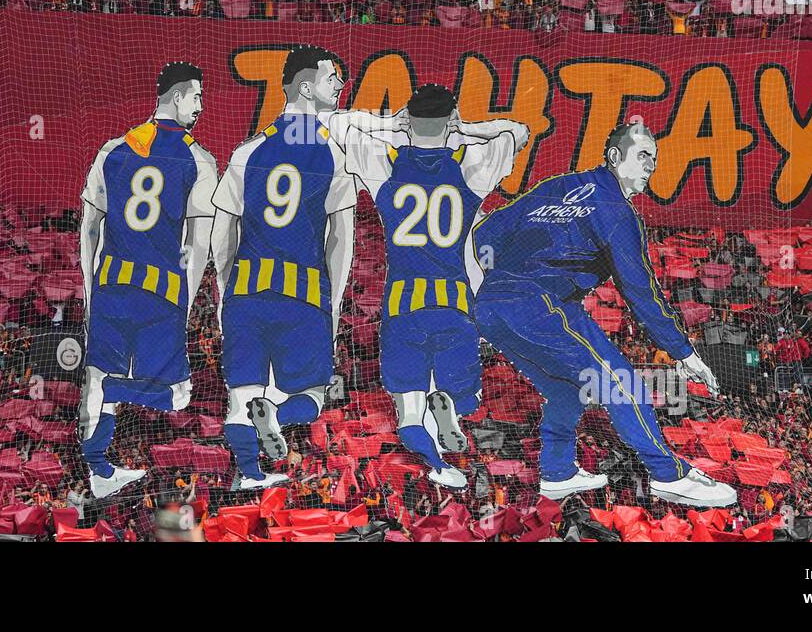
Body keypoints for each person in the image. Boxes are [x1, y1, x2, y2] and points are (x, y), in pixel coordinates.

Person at [470, 121, 735, 507]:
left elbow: (486, 234)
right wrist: (683, 353)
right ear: (614, 156)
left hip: (493, 308)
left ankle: (557, 472)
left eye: (655, 159)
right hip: (539, 305)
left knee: (568, 388)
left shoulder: (557, 187)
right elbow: (640, 292)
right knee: (622, 383)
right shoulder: (616, 212)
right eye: (643, 155)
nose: (651, 166)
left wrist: (482, 291)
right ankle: (668, 475)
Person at [344, 84, 528, 489]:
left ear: (410, 120)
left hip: (401, 306)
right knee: (467, 396)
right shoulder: (473, 165)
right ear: (452, 119)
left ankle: (440, 467)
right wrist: (465, 130)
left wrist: (393, 126)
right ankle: (454, 406)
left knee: (408, 415)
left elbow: (342, 127)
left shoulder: (382, 163)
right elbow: (518, 131)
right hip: (455, 304)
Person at [210, 46, 368, 490]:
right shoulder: (333, 155)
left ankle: (247, 475)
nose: (339, 85)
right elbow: (341, 241)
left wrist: (227, 289)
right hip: (303, 295)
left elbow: (222, 235)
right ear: (304, 86)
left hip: (246, 292)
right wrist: (332, 304)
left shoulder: (248, 150)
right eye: (332, 77)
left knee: (239, 398)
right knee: (314, 396)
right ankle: (277, 414)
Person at [77, 61, 218, 499]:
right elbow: (197, 247)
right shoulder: (198, 160)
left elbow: (89, 228)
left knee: (99, 378)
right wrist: (187, 303)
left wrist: (88, 289)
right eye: (196, 97)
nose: (200, 106)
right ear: (176, 97)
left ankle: (98, 468)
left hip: (111, 286)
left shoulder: (112, 150)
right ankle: (103, 466)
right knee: (178, 395)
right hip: (160, 292)